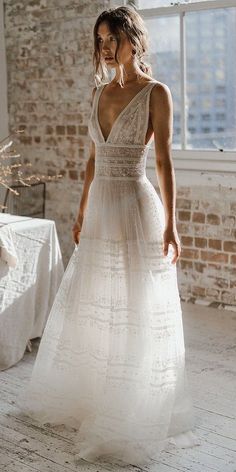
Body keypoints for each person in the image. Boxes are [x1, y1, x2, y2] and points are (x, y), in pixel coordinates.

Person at [16, 5, 200, 467]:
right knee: (96, 298)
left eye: (111, 38)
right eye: (99, 39)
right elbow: (93, 158)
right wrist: (79, 211)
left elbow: (163, 162)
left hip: (136, 206)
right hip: (100, 206)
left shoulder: (156, 92)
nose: (104, 47)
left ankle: (133, 399)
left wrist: (173, 224)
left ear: (132, 39)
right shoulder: (97, 93)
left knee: (135, 301)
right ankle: (95, 391)